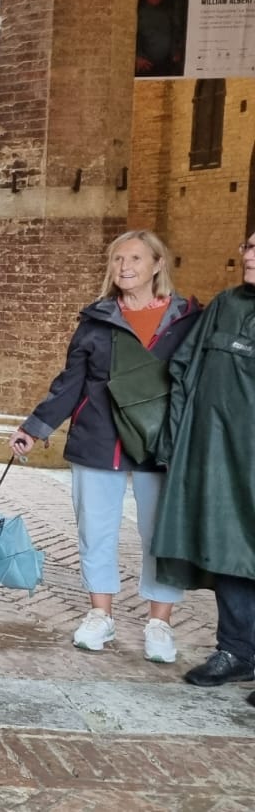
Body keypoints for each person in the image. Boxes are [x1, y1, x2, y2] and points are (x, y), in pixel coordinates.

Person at [9, 231, 200, 661]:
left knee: (161, 536)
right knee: (95, 531)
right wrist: (35, 427)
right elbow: (70, 383)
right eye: (117, 260)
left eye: (134, 258)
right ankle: (101, 616)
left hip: (159, 445)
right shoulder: (97, 320)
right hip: (100, 440)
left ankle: (160, 623)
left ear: (156, 265)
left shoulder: (187, 319)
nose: (124, 267)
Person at [152, 231, 255, 701]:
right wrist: (176, 442)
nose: (248, 255)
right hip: (219, 458)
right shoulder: (225, 305)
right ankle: (236, 652)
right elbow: (185, 370)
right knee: (228, 550)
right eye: (247, 247)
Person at [135, 0, 184, 77]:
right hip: (144, 68)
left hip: (166, 67)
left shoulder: (169, 12)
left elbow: (176, 32)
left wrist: (176, 50)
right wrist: (136, 57)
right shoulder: (137, 13)